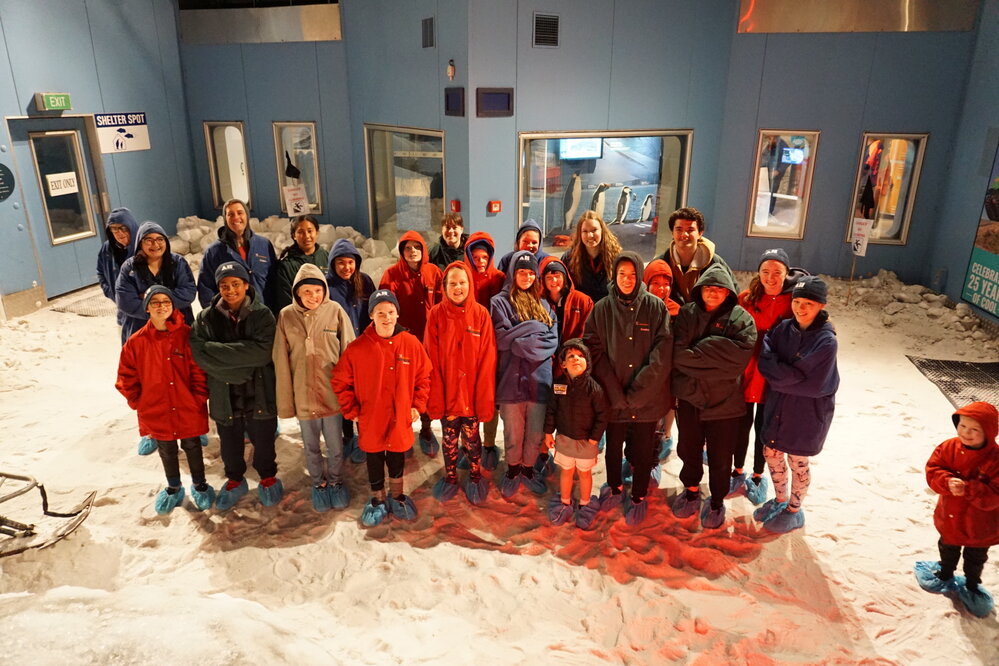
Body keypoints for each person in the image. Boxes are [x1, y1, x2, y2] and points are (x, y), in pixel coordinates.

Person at [583, 252, 672, 526]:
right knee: (613, 448)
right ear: (614, 275)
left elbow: (662, 352)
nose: (627, 279)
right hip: (614, 397)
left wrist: (639, 392)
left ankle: (639, 495)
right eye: (622, 274)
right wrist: (614, 392)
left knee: (644, 450)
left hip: (648, 398)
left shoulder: (656, 308)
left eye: (632, 274)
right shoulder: (602, 308)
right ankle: (614, 486)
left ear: (640, 276)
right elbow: (593, 348)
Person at [331, 290, 432, 527]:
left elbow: (424, 377)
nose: (386, 318)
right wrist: (351, 409)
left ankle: (397, 495)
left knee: (397, 455)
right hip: (371, 417)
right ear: (371, 316)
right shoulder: (357, 348)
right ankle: (377, 498)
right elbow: (340, 381)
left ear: (397, 314)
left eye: (390, 312)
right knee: (374, 457)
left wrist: (417, 405)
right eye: (380, 313)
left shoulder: (411, 343)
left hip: (400, 416)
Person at [190, 261, 283, 511]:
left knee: (263, 440)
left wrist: (220, 355)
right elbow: (200, 353)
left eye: (235, 284)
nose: (230, 290)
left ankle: (268, 477)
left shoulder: (263, 315)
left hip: (259, 391)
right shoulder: (206, 318)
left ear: (246, 285)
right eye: (224, 285)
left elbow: (263, 352)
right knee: (229, 442)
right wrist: (243, 363)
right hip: (225, 393)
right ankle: (234, 480)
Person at [670, 264, 756, 530]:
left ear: (728, 291)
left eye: (719, 288)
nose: (713, 292)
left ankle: (717, 501)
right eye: (708, 287)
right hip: (690, 399)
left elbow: (736, 363)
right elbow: (678, 356)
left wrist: (700, 349)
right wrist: (716, 358)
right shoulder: (687, 314)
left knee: (721, 457)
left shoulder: (742, 320)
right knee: (688, 449)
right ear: (700, 289)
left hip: (725, 404)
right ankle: (691, 490)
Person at [115, 286, 213, 514]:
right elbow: (126, 376)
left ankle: (199, 483)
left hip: (187, 405)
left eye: (166, 301)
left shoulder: (187, 335)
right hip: (155, 408)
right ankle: (174, 486)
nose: (161, 306)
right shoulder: (136, 342)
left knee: (192, 445)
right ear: (147, 308)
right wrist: (138, 402)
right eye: (155, 302)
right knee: (166, 448)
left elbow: (200, 370)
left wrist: (198, 397)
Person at [753, 276, 838, 534]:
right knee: (771, 453)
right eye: (797, 301)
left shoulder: (826, 341)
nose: (801, 308)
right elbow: (765, 359)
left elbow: (813, 384)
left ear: (821, 305)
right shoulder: (783, 328)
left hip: (805, 415)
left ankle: (794, 509)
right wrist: (787, 376)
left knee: (798, 460)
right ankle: (780, 499)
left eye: (808, 303)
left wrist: (777, 377)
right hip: (779, 408)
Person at [273, 264, 355, 513]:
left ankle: (336, 481)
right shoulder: (286, 316)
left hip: (331, 395)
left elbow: (349, 352)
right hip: (303, 396)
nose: (313, 296)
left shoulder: (335, 311)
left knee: (335, 446)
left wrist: (350, 393)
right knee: (310, 447)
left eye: (318, 290)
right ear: (297, 293)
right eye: (306, 291)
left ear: (325, 290)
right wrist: (287, 401)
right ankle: (318, 483)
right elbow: (281, 360)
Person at [732, 248, 806, 505]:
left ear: (786, 274)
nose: (770, 278)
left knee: (765, 430)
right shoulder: (746, 298)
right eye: (765, 271)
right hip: (745, 373)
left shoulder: (794, 302)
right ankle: (737, 470)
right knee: (740, 426)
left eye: (777, 272)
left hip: (773, 379)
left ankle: (757, 474)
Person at [915, 401, 999, 618]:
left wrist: (969, 488)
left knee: (975, 557)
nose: (966, 433)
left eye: (974, 429)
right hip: (951, 515)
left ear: (989, 432)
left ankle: (971, 584)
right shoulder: (948, 448)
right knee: (948, 546)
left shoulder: (995, 459)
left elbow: (996, 493)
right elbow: (934, 468)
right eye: (962, 426)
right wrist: (946, 481)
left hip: (980, 525)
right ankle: (945, 572)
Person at [424, 262, 497, 505]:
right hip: (447, 395)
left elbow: (488, 360)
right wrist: (436, 396)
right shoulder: (436, 314)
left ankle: (475, 476)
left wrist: (483, 397)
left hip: (472, 395)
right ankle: (451, 476)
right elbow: (430, 358)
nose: (458, 288)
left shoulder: (481, 315)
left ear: (470, 285)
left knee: (472, 438)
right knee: (449, 439)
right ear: (444, 287)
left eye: (462, 282)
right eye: (452, 283)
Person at [491, 250, 558, 498]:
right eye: (522, 272)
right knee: (513, 432)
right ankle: (512, 470)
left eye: (531, 273)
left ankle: (528, 470)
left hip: (539, 380)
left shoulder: (544, 305)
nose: (527, 277)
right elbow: (501, 339)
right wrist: (534, 329)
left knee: (535, 432)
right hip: (510, 381)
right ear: (512, 273)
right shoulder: (499, 303)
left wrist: (519, 336)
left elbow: (552, 342)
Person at [379, 231, 443, 456]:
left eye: (417, 247)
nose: (412, 251)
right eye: (408, 247)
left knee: (425, 387)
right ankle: (402, 431)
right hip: (401, 343)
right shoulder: (391, 274)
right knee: (402, 388)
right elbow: (384, 309)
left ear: (424, 249)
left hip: (429, 342)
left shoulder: (433, 272)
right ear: (401, 251)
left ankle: (426, 429)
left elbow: (442, 305)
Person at [543, 339, 607, 530]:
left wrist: (595, 437)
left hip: (586, 442)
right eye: (571, 356)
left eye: (580, 356)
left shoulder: (594, 389)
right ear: (563, 363)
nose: (576, 359)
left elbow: (602, 416)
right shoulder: (558, 385)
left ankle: (585, 503)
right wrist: (548, 433)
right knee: (566, 471)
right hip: (564, 439)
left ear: (588, 362)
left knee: (585, 473)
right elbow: (551, 411)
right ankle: (565, 501)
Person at [326, 238, 376, 463]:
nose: (346, 267)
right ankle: (347, 437)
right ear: (332, 264)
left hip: (365, 351)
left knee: (364, 396)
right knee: (345, 396)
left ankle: (364, 437)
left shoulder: (364, 281)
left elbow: (373, 311)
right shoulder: (327, 285)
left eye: (350, 262)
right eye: (341, 263)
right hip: (340, 352)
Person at [463, 231, 505, 467]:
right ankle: (468, 443)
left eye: (484, 257)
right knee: (467, 398)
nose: (480, 261)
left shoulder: (499, 278)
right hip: (468, 348)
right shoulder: (462, 278)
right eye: (476, 257)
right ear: (469, 256)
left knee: (490, 398)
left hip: (493, 347)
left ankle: (489, 443)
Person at [115, 221, 196, 342]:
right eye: (149, 240)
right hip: (141, 327)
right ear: (140, 243)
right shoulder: (130, 267)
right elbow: (126, 301)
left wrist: (151, 300)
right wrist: (160, 308)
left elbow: (188, 293)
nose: (155, 244)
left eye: (160, 239)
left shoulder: (178, 263)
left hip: (177, 325)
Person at [197, 199, 278, 309]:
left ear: (247, 216)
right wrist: (215, 314)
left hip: (263, 311)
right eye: (230, 214)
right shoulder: (214, 251)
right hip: (232, 314)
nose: (236, 217)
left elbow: (274, 280)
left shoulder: (264, 244)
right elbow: (206, 288)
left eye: (240, 213)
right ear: (225, 219)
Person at [642, 259, 681, 460]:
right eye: (655, 283)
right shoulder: (639, 306)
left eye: (666, 284)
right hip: (645, 366)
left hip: (669, 368)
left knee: (669, 403)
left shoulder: (676, 310)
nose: (661, 288)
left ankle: (666, 435)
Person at [655, 207, 733, 307]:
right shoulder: (660, 263)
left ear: (700, 233)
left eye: (690, 230)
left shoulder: (716, 264)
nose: (684, 234)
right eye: (679, 229)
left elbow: (733, 295)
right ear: (672, 233)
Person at [97, 208, 139, 345]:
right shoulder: (107, 249)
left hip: (145, 315)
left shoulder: (143, 247)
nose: (119, 233)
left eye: (123, 228)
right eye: (114, 229)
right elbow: (101, 272)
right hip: (123, 314)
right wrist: (111, 293)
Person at [560, 210, 621, 303]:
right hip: (582, 309)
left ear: (602, 230)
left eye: (594, 230)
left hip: (607, 309)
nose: (590, 235)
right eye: (585, 231)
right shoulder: (569, 259)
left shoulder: (616, 257)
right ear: (580, 233)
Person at [272, 216, 330, 313]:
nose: (306, 236)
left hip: (326, 314)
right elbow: (285, 299)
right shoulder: (287, 265)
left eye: (310, 231)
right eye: (301, 232)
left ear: (317, 233)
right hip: (299, 317)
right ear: (294, 236)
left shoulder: (326, 257)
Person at [539, 256, 593, 348]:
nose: (554, 281)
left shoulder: (582, 301)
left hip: (575, 352)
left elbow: (589, 333)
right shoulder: (538, 303)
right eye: (549, 277)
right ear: (543, 280)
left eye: (557, 276)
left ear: (565, 277)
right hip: (547, 353)